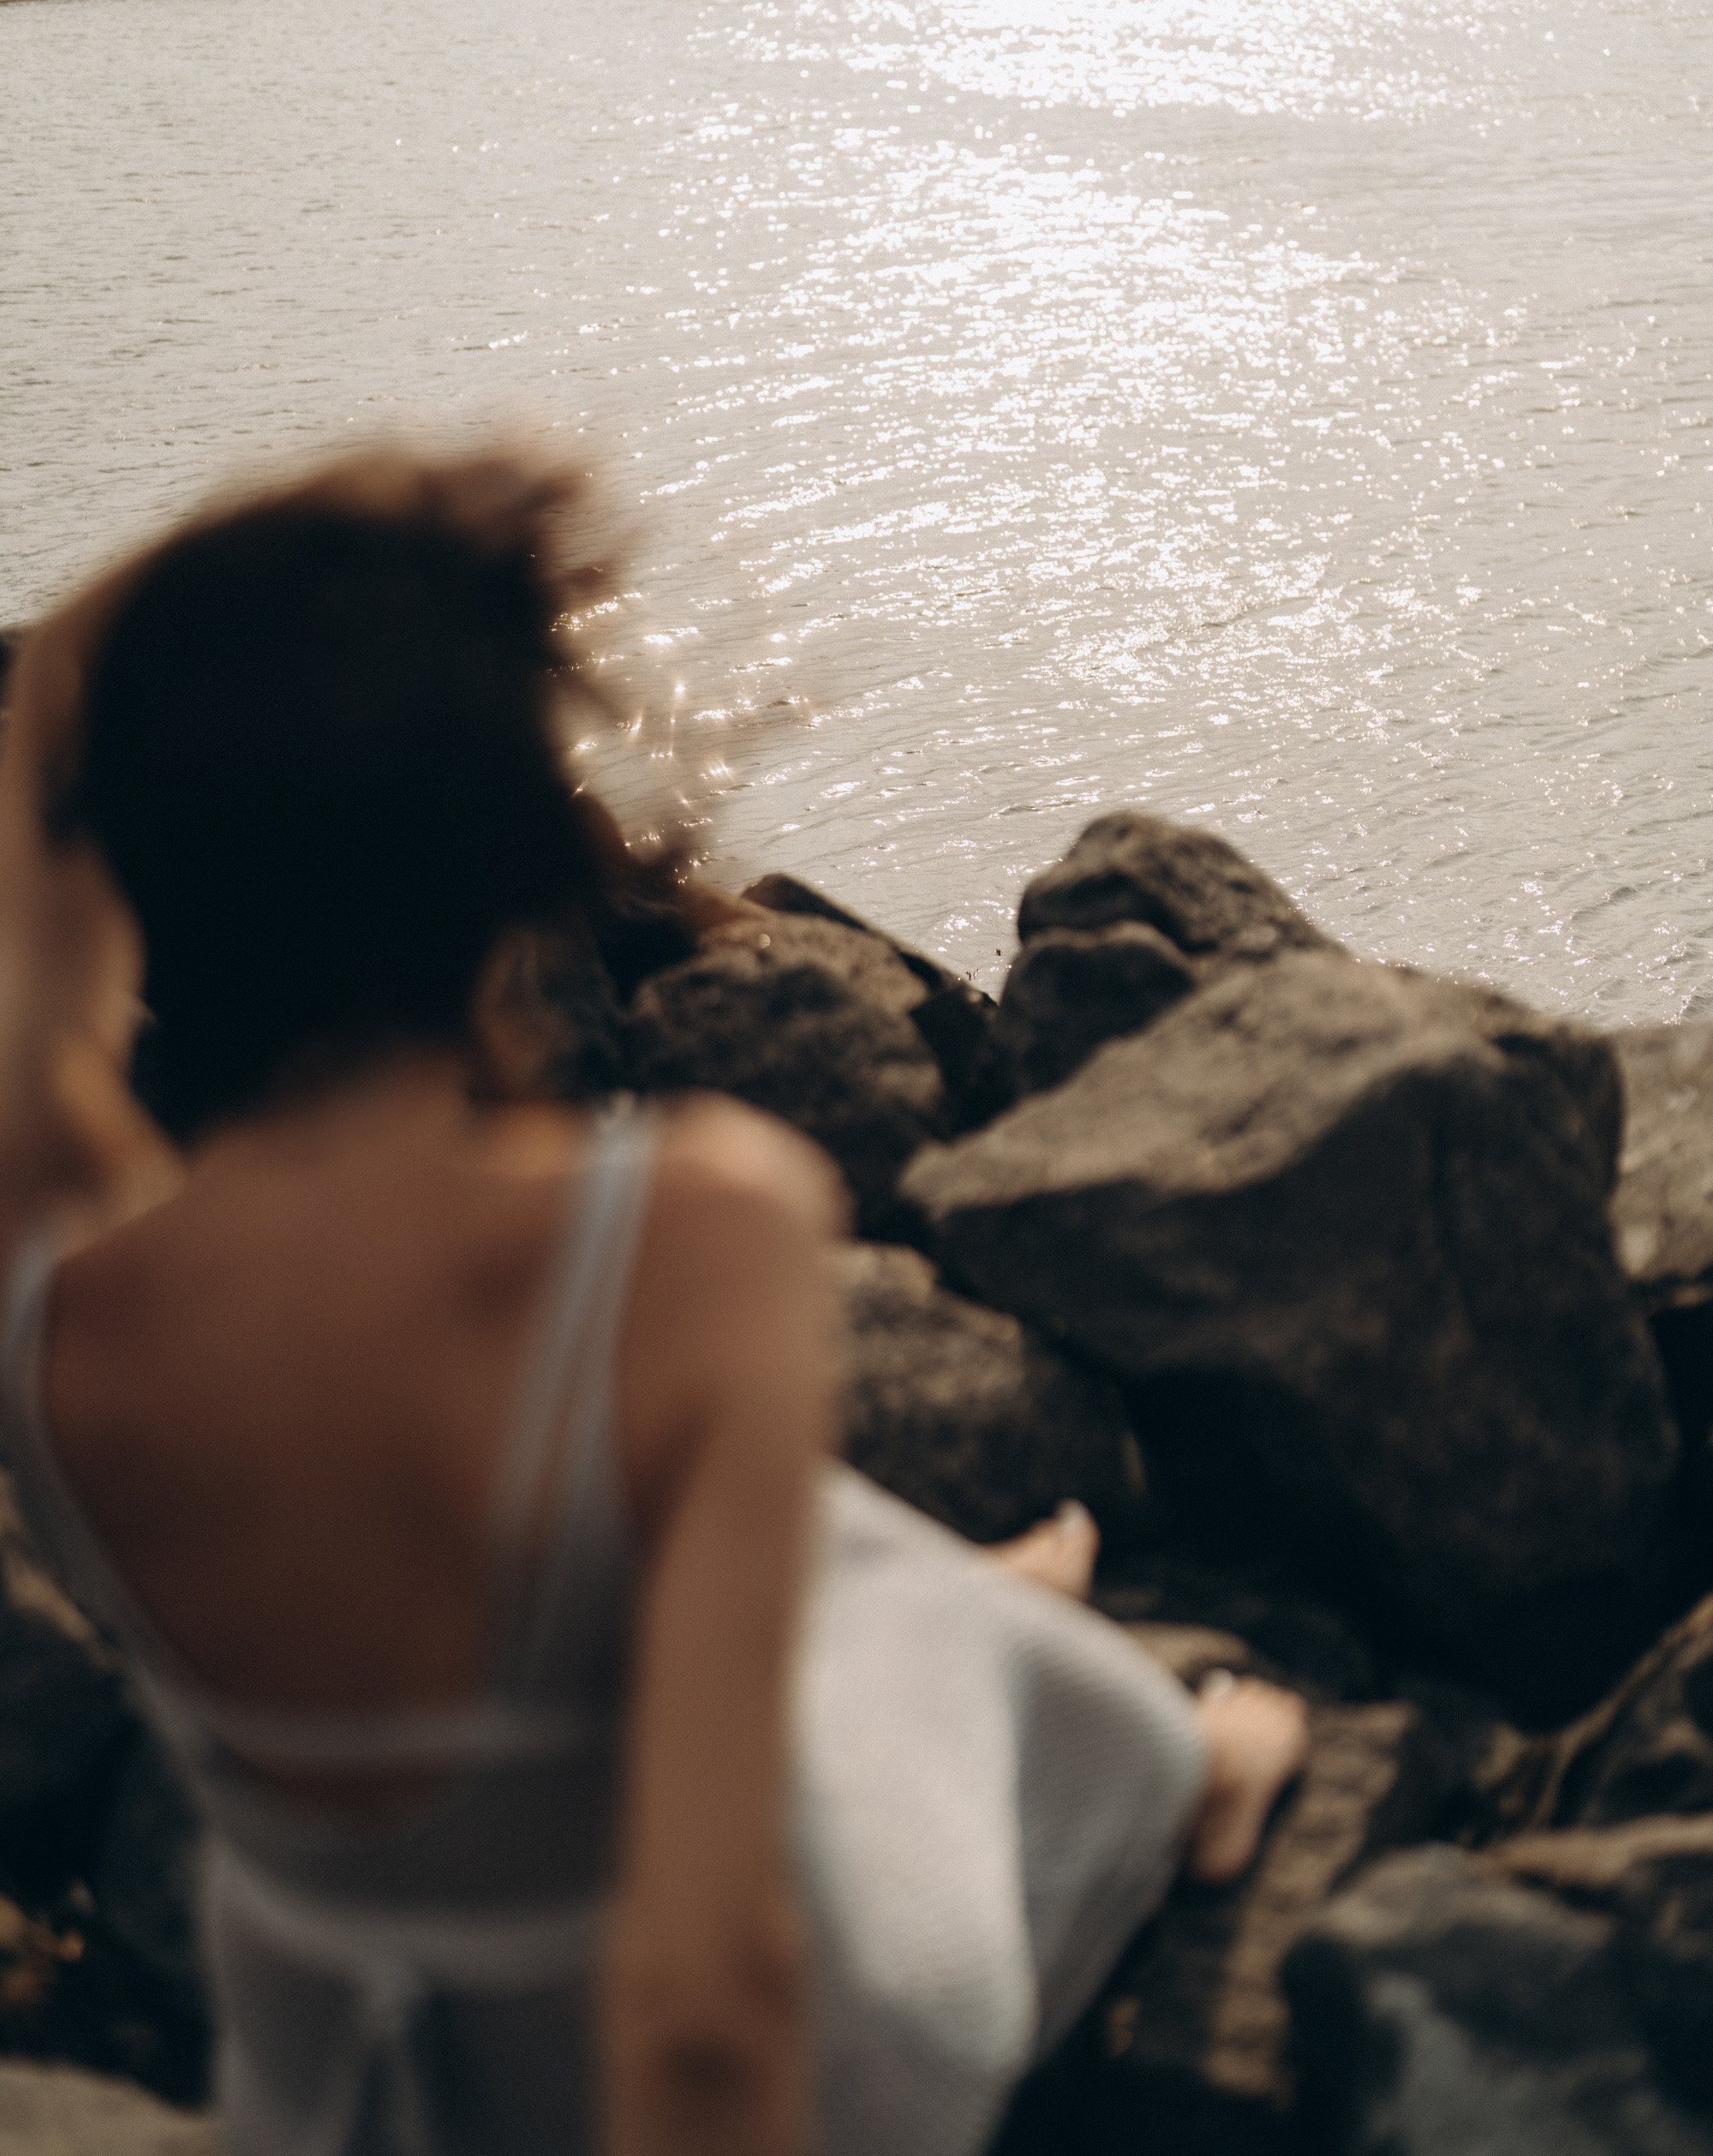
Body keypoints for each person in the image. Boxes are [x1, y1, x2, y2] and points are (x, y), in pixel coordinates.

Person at [0, 449, 1305, 2156]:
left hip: (337, 2096)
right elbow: (702, 2008)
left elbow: (34, 838)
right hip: (785, 2069)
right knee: (744, 1511)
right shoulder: (686, 1227)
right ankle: (1170, 1769)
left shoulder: (60, 1290)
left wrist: (160, 646)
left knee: (688, 1510)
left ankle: (968, 1609)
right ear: (504, 869)